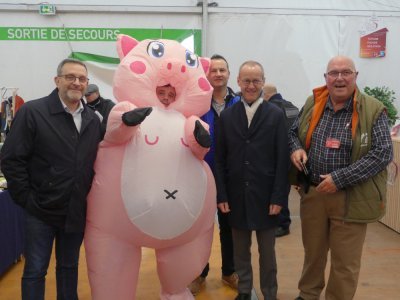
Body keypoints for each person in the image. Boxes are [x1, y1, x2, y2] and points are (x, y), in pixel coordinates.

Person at [289, 55, 393, 300]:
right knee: (312, 253)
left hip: (351, 197)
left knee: (345, 261)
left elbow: (383, 152)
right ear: (325, 78)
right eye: (333, 73)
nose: (339, 78)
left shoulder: (373, 109)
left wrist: (341, 178)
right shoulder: (313, 103)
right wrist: (296, 148)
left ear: (355, 76)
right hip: (313, 194)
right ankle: (307, 294)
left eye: (345, 72)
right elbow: (292, 132)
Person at [1, 58, 102, 300]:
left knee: (69, 268)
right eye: (70, 77)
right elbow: (12, 159)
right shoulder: (32, 112)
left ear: (87, 83)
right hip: (40, 211)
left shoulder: (92, 119)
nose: (76, 83)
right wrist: (27, 199)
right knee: (35, 270)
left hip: (75, 209)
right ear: (57, 81)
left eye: (82, 79)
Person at [215, 61, 289, 300]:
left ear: (263, 82)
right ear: (238, 81)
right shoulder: (227, 117)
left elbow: (282, 160)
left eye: (256, 80)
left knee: (267, 253)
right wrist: (222, 194)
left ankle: (270, 293)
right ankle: (244, 290)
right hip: (236, 194)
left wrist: (279, 197)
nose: (251, 85)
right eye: (246, 80)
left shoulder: (276, 115)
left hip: (266, 195)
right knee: (240, 250)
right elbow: (220, 159)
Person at [188, 54, 240, 295]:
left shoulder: (240, 102)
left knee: (230, 226)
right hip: (202, 174)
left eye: (222, 70)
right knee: (201, 228)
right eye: (214, 70)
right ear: (206, 75)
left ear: (229, 74)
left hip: (232, 175)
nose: (218, 74)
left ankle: (230, 271)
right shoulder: (197, 102)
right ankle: (199, 273)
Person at [263, 83, 299, 237]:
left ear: (265, 94)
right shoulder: (292, 107)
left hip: (275, 157)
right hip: (293, 155)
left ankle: (282, 224)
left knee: (276, 191)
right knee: (283, 190)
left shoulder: (269, 109)